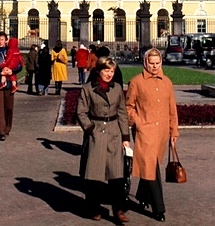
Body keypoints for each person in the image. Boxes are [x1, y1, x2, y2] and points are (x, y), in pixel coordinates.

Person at [126, 48, 179, 222]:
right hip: (144, 131)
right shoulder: (136, 82)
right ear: (145, 62)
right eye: (151, 63)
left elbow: (172, 109)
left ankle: (142, 196)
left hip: (162, 131)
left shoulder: (167, 82)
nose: (155, 67)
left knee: (151, 164)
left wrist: (174, 131)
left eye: (157, 63)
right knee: (151, 166)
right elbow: (128, 107)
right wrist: (138, 122)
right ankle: (159, 208)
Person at [77, 57, 130, 223]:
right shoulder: (88, 89)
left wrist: (125, 137)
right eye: (106, 70)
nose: (109, 74)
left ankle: (118, 209)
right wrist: (90, 129)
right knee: (94, 174)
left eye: (112, 71)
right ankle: (94, 208)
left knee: (117, 175)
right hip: (97, 132)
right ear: (99, 71)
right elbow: (81, 112)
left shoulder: (117, 88)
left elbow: (122, 113)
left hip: (114, 132)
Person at [0, 32, 22, 140]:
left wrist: (12, 71)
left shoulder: (12, 50)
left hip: (10, 83)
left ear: (6, 40)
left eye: (2, 39)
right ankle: (1, 131)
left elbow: (20, 65)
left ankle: (7, 127)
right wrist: (0, 73)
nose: (0, 41)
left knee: (9, 107)